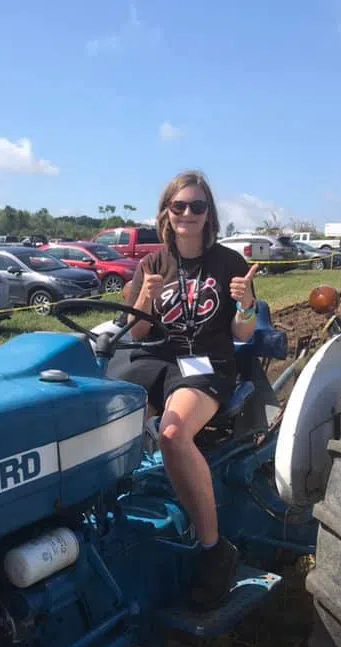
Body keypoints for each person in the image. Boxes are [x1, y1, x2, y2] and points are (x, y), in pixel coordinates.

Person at [112, 170, 259, 612]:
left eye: (198, 206)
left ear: (209, 213)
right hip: (158, 357)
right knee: (100, 412)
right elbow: (137, 333)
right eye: (180, 206)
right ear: (166, 212)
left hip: (207, 363)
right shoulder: (152, 265)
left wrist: (246, 304)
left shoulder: (229, 264)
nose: (188, 213)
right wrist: (144, 298)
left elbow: (243, 334)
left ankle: (215, 551)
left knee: (174, 434)